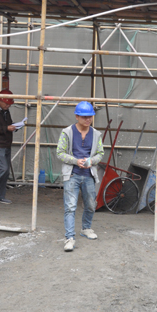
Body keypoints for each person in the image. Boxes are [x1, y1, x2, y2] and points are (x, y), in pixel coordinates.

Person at [56, 101, 104, 252]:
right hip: (72, 174)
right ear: (77, 116)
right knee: (70, 207)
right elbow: (60, 152)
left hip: (89, 174)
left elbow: (100, 153)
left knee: (90, 204)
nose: (88, 119)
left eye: (90, 116)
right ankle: (70, 237)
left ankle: (86, 228)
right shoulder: (67, 132)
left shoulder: (96, 134)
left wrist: (92, 161)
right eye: (84, 117)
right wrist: (75, 161)